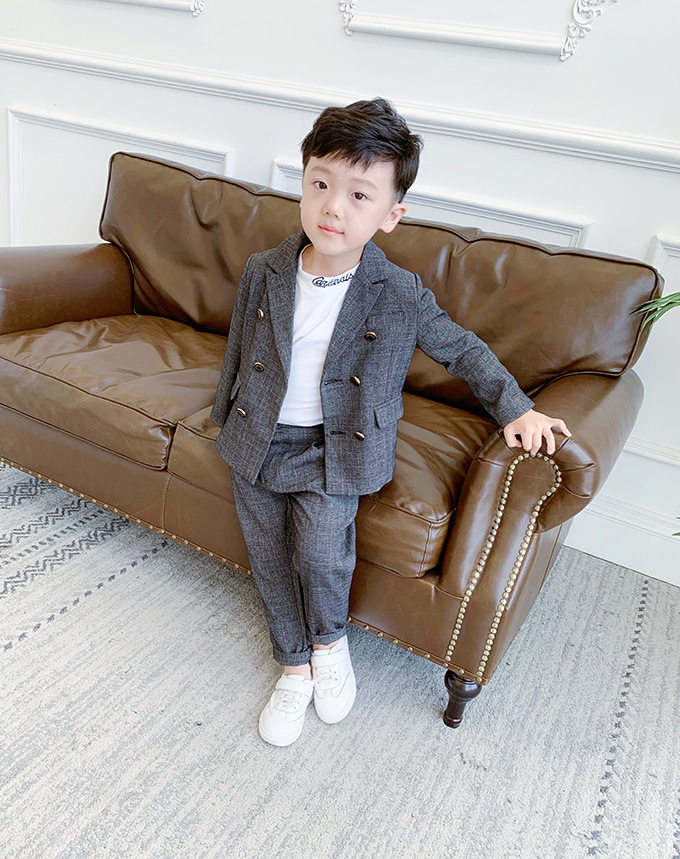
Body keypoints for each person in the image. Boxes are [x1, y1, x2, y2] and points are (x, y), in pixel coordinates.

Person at [210, 97, 571, 747]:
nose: (333, 208)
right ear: (303, 182)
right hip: (258, 435)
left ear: (390, 215)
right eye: (320, 184)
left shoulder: (398, 291)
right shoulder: (266, 269)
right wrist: (224, 419)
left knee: (321, 552)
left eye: (359, 195)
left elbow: (461, 349)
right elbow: (240, 347)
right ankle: (292, 663)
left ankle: (329, 642)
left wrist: (516, 407)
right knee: (268, 553)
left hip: (335, 448)